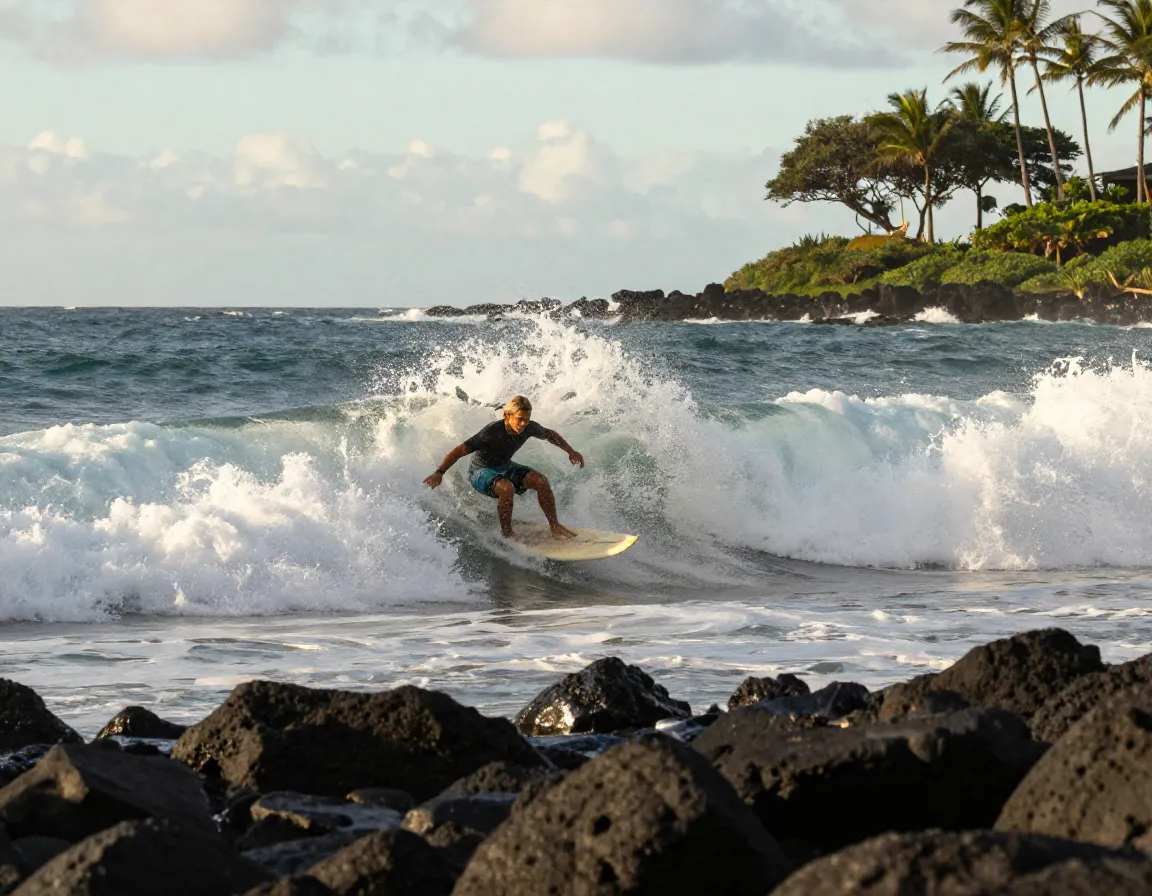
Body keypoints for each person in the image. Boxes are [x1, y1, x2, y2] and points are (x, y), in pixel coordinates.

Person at [424, 395, 585, 541]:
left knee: (541, 481)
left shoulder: (529, 427)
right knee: (506, 488)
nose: (523, 424)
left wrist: (570, 451)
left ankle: (555, 526)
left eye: (526, 420)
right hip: (480, 472)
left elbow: (549, 434)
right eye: (519, 419)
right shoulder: (490, 433)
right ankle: (507, 534)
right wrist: (440, 472)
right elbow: (459, 451)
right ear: (507, 415)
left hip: (505, 467)